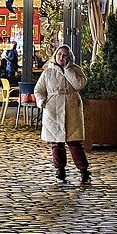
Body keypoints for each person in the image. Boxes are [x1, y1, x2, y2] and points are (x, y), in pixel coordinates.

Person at [34, 45, 91, 185]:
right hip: (53, 109)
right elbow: (39, 89)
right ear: (55, 55)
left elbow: (79, 85)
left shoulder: (75, 70)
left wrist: (68, 71)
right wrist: (42, 101)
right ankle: (59, 170)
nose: (61, 57)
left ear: (69, 57)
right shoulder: (48, 72)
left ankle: (84, 170)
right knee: (56, 143)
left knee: (74, 142)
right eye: (59, 54)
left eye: (64, 55)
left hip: (71, 108)